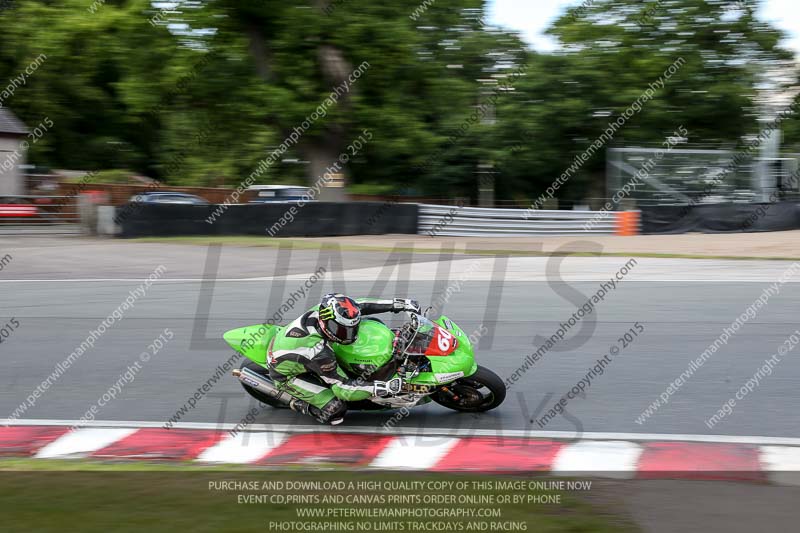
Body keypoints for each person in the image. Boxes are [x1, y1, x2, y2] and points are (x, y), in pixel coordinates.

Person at [267, 293, 421, 425]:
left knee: (372, 321)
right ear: (327, 324)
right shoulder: (318, 352)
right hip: (287, 374)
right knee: (335, 409)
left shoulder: (329, 310)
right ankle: (299, 404)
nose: (350, 335)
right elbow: (342, 389)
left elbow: (361, 305)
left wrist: (399, 304)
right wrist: (384, 387)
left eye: (351, 329)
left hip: (299, 348)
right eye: (342, 330)